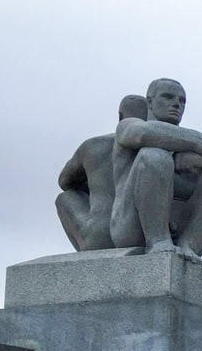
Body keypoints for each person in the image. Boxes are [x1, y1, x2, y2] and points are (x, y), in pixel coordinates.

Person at [110, 78, 202, 260]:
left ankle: (189, 245)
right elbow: (139, 134)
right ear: (149, 101)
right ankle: (157, 240)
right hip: (131, 227)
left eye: (182, 101)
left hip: (180, 226)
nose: (176, 104)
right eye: (168, 97)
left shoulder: (188, 140)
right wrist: (199, 143)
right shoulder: (130, 124)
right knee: (155, 156)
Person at [55, 94, 147, 251]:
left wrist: (95, 182)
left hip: (97, 236)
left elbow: (64, 182)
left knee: (64, 198)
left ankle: (86, 253)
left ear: (120, 116)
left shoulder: (92, 145)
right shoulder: (151, 147)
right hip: (137, 234)